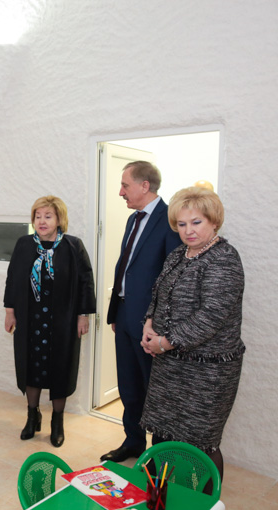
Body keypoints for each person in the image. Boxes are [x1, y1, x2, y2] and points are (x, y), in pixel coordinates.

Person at [139, 187, 245, 488]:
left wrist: (163, 342)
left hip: (207, 371)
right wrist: (149, 323)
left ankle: (204, 506)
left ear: (214, 221)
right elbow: (158, 294)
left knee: (200, 444)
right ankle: (158, 499)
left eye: (196, 222)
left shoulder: (224, 259)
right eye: (182, 224)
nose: (188, 231)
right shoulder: (178, 254)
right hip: (169, 365)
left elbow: (211, 316)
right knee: (162, 435)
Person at [101, 161, 181, 463]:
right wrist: (115, 313)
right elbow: (128, 268)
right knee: (129, 385)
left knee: (154, 390)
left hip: (151, 323)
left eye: (125, 185)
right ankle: (133, 442)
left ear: (144, 185)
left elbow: (172, 278)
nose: (121, 192)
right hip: (124, 315)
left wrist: (159, 324)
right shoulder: (132, 220)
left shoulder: (170, 220)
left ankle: (160, 455)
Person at [4, 195, 96, 447]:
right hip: (30, 320)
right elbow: (12, 279)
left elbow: (86, 282)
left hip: (63, 321)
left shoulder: (72, 246)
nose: (42, 221)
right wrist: (10, 311)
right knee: (31, 366)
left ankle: (57, 422)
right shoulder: (24, 244)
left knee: (60, 369)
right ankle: (32, 416)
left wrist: (83, 315)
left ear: (59, 219)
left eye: (48, 216)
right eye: (38, 216)